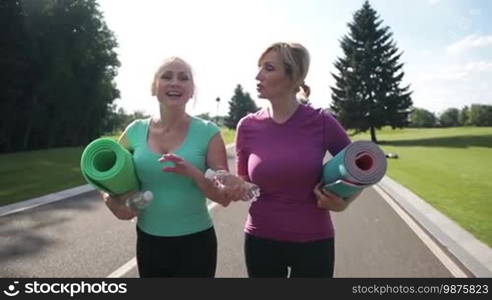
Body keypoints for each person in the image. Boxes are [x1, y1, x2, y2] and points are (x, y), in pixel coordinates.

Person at [101, 56, 242, 278]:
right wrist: (111, 200)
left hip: (196, 244)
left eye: (183, 78)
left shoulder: (208, 132)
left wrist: (194, 173)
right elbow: (106, 177)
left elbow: (223, 198)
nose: (175, 82)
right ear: (153, 87)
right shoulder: (135, 131)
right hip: (149, 242)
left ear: (191, 90)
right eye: (166, 76)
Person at [235, 42, 361, 278]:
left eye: (268, 68)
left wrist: (345, 202)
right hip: (260, 239)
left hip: (314, 242)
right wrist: (237, 187)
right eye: (259, 67)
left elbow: (362, 166)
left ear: (293, 77)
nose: (258, 75)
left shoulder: (322, 121)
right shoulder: (247, 126)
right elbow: (244, 181)